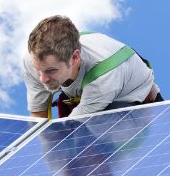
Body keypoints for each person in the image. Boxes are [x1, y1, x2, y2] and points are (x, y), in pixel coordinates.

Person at [24, 15, 162, 118]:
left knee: (96, 141)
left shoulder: (102, 80)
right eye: (38, 70)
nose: (42, 79)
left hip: (132, 99)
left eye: (51, 71)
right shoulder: (33, 59)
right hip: (91, 89)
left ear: (75, 57)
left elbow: (72, 130)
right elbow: (39, 117)